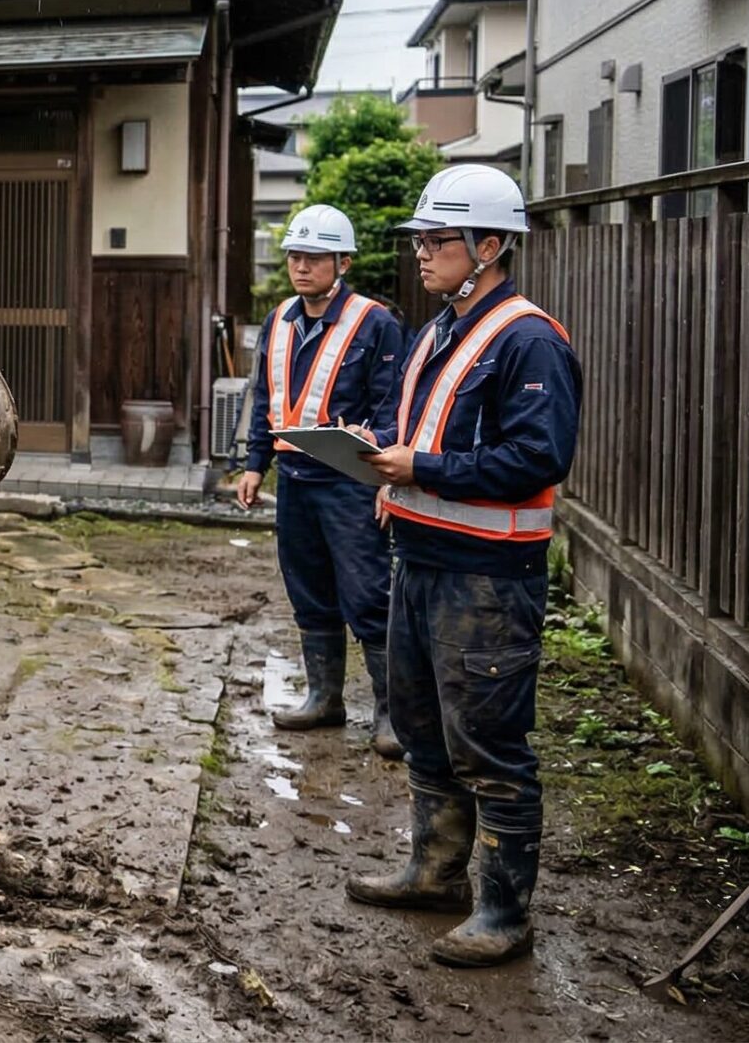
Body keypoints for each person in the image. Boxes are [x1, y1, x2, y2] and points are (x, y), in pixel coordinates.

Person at [347, 163, 581, 969]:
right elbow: (422, 429)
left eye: (437, 239)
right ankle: (435, 870)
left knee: (490, 741)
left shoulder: (528, 339)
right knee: (422, 728)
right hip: (420, 558)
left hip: (487, 576)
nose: (421, 252)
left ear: (489, 246)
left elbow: (537, 456)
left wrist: (423, 469)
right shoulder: (442, 326)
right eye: (420, 239)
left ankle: (504, 910)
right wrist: (388, 474)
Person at [234, 205, 405, 756]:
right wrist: (255, 465)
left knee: (367, 594)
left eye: (314, 257)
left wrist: (385, 476)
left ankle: (390, 715)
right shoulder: (279, 319)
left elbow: (392, 406)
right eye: (295, 256)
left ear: (343, 262)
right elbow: (267, 400)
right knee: (308, 589)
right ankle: (324, 697)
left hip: (349, 480)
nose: (302, 267)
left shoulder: (374, 323)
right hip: (296, 481)